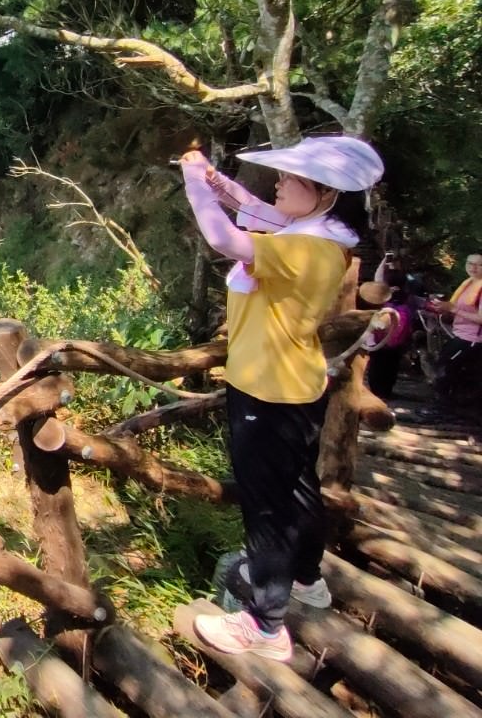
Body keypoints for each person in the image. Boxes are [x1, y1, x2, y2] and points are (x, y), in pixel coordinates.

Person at [178, 135, 384, 661]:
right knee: (297, 487)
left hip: (266, 389)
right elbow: (258, 211)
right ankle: (307, 579)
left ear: (325, 194)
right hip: (296, 383)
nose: (279, 183)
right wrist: (219, 184)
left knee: (265, 503)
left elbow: (225, 238)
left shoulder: (304, 248)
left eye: (291, 179)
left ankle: (266, 625)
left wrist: (193, 185)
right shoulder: (323, 236)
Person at [426, 253, 482, 407]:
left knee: (445, 371)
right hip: (458, 334)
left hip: (471, 340)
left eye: (478, 265)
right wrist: (442, 308)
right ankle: (442, 407)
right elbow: (456, 308)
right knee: (443, 368)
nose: (473, 268)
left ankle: (442, 410)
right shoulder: (469, 283)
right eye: (470, 263)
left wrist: (454, 309)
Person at [363, 255, 417, 403]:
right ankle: (385, 392)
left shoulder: (383, 293)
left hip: (382, 334)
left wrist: (384, 261)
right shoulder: (408, 292)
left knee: (378, 363)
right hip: (399, 336)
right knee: (391, 364)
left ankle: (377, 392)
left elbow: (377, 277)